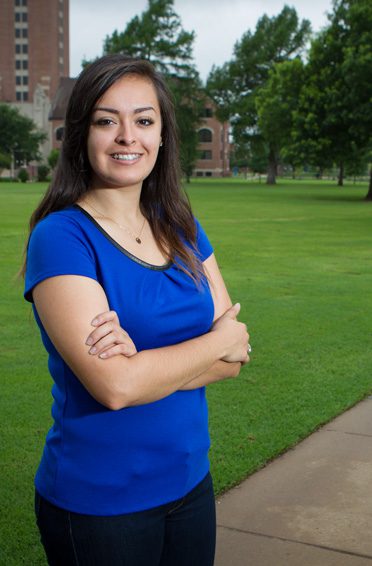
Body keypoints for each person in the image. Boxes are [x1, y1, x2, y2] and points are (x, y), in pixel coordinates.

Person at [23, 54, 250, 566]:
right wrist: (214, 343)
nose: (128, 136)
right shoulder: (61, 236)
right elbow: (115, 387)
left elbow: (236, 363)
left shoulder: (182, 226)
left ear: (163, 135)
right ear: (82, 134)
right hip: (99, 504)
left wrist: (141, 362)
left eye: (144, 120)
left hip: (191, 481)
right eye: (107, 121)